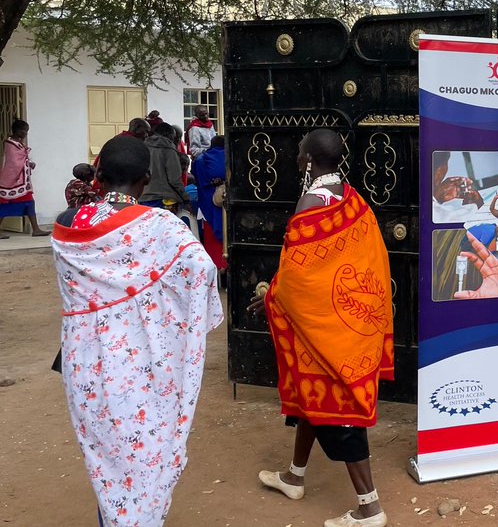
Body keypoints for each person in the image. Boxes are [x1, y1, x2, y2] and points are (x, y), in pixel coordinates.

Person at [51, 135, 223, 527]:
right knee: (144, 459)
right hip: (142, 365)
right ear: (146, 178)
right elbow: (202, 273)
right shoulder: (162, 226)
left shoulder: (65, 223)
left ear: (98, 174)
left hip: (85, 365)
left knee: (104, 459)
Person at [251, 129, 392, 527]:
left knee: (340, 414)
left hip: (325, 335)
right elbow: (372, 260)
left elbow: (298, 280)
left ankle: (370, 509)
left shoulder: (311, 202)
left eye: (299, 152)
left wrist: (270, 294)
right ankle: (294, 477)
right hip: (352, 324)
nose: (296, 157)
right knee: (310, 402)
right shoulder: (354, 200)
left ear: (309, 160)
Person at [0, 119, 50, 236]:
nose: (26, 134)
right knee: (4, 205)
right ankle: (36, 229)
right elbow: (13, 162)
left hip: (22, 183)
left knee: (29, 202)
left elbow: (22, 159)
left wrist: (28, 163)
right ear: (18, 131)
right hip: (12, 182)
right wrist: (26, 162)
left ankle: (36, 229)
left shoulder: (18, 142)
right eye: (24, 131)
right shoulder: (10, 143)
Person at [192, 136, 227, 271]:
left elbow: (197, 178)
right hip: (226, 202)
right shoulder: (229, 157)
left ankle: (215, 270)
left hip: (207, 203)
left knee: (211, 240)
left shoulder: (201, 159)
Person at [139, 122, 189, 211]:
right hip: (164, 199)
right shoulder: (169, 149)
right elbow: (174, 179)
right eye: (174, 137)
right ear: (168, 135)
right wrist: (186, 199)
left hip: (142, 198)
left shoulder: (142, 147)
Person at [92, 118, 151, 191]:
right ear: (137, 128)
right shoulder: (127, 143)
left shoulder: (119, 139)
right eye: (146, 131)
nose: (147, 136)